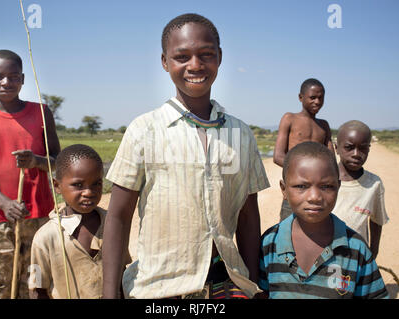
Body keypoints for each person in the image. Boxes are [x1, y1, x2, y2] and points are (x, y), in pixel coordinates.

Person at [102, 13, 269, 299]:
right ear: (165, 62)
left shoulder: (240, 134)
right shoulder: (145, 130)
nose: (195, 65)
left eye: (206, 54)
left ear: (219, 57)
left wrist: (253, 283)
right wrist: (109, 293)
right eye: (182, 57)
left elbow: (248, 216)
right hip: (159, 288)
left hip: (225, 285)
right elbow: (118, 216)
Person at [0, 49, 60, 299]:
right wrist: (4, 203)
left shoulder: (41, 113)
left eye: (13, 76)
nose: (6, 82)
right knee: (3, 281)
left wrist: (36, 161)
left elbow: (57, 161)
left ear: (23, 79)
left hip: (40, 214)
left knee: (38, 280)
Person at [258, 141, 388, 299]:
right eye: (301, 186)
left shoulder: (355, 249)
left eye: (326, 186)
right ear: (284, 190)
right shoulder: (269, 244)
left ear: (338, 187)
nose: (315, 197)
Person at [28, 144, 131, 299]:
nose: (89, 192)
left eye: (96, 183)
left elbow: (122, 272)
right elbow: (37, 289)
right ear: (57, 186)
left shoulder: (112, 225)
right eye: (78, 185)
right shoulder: (46, 237)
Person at [273, 78, 335, 221]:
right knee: (288, 227)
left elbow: (331, 159)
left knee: (317, 228)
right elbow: (278, 156)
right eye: (312, 97)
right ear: (301, 98)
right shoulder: (290, 119)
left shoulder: (324, 126)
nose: (317, 102)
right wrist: (304, 172)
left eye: (321, 98)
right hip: (297, 188)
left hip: (318, 190)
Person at [332, 120, 389, 260]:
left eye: (363, 148)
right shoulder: (324, 178)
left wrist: (373, 252)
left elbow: (377, 221)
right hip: (324, 252)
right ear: (336, 148)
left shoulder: (374, 184)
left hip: (357, 255)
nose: (356, 154)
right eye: (349, 147)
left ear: (369, 149)